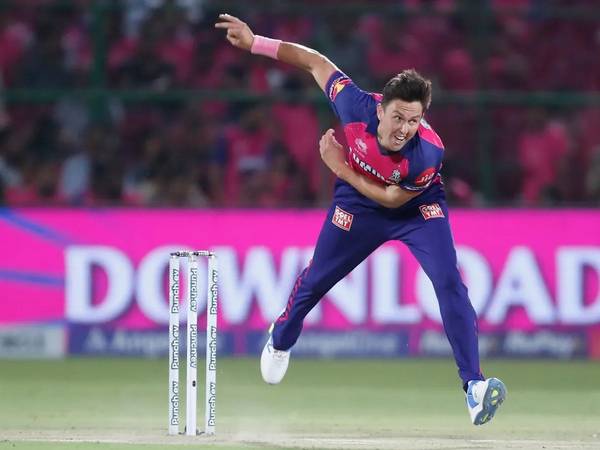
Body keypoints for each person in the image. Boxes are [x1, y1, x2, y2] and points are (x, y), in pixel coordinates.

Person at [215, 13, 506, 426]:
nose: (405, 128)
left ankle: (473, 387)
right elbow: (316, 61)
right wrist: (255, 42)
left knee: (448, 281)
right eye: (399, 117)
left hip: (414, 207)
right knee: (317, 279)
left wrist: (340, 167)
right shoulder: (353, 104)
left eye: (414, 120)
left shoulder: (428, 153)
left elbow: (391, 199)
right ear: (380, 107)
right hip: (357, 203)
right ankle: (281, 339)